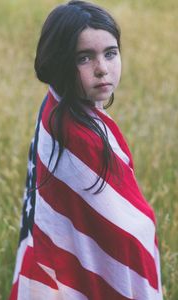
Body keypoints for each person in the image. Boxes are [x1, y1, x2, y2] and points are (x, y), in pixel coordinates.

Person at [9, 1, 163, 299]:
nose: (102, 69)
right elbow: (128, 236)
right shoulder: (79, 138)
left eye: (110, 53)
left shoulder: (58, 106)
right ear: (60, 62)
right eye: (84, 58)